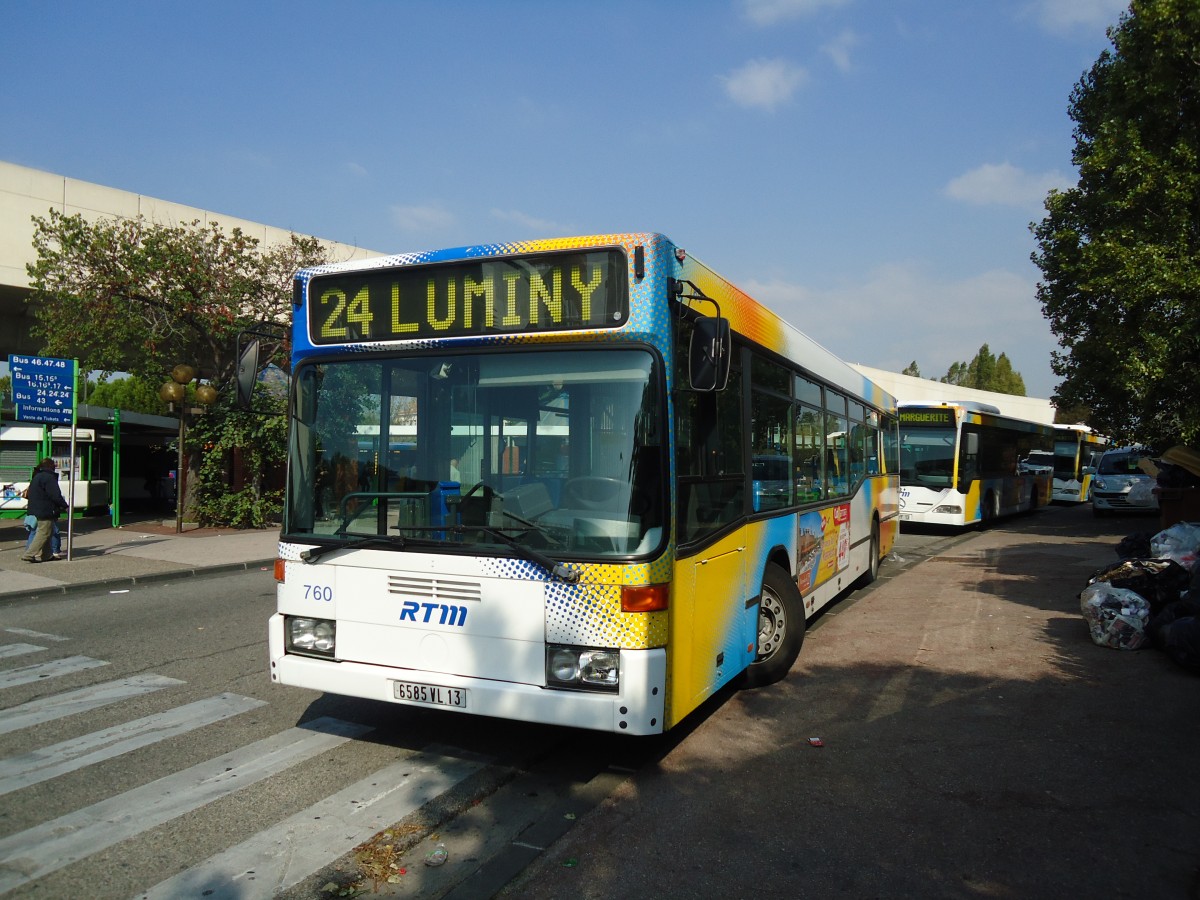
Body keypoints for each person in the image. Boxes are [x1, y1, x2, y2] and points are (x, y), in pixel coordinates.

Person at [21, 459, 69, 563]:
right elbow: (55, 495)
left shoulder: (37, 476)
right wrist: (65, 506)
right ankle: (29, 554)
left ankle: (47, 555)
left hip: (35, 509)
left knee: (48, 532)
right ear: (51, 466)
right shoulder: (49, 477)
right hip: (44, 510)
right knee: (44, 532)